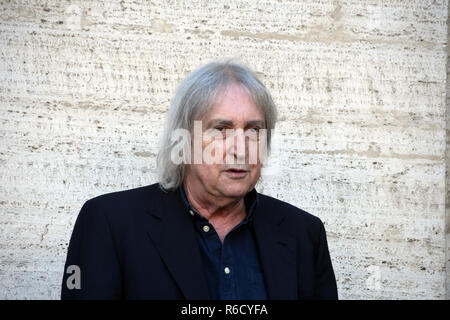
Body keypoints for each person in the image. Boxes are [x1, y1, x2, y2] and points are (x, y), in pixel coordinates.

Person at [61, 60, 338, 300]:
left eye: (254, 130)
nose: (240, 149)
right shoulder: (110, 223)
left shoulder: (304, 234)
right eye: (221, 129)